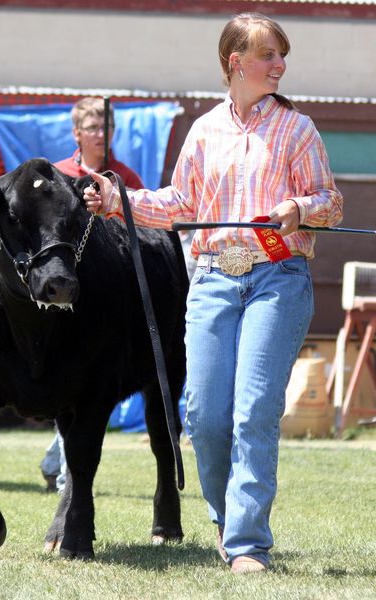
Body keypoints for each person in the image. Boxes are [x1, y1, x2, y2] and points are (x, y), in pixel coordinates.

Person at [83, 13, 343, 574]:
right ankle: (227, 521)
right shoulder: (203, 131)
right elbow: (179, 206)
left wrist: (299, 209)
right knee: (204, 415)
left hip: (278, 279)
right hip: (211, 282)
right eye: (269, 54)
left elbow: (331, 202)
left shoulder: (298, 131)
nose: (280, 64)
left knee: (253, 412)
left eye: (281, 54)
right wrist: (116, 200)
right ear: (236, 64)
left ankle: (248, 543)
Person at [40, 97, 144, 494]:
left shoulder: (126, 178)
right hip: (65, 296)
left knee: (87, 388)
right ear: (77, 133)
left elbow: (142, 232)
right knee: (68, 384)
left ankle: (58, 463)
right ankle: (64, 471)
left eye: (108, 129)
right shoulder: (58, 175)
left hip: (108, 298)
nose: (102, 136)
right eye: (94, 128)